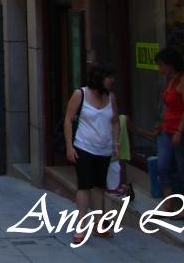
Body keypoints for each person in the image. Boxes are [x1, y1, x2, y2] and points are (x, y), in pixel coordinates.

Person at [64, 63, 119, 245]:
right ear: (98, 79)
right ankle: (80, 226)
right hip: (83, 146)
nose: (112, 80)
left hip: (104, 149)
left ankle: (98, 224)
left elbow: (115, 122)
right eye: (108, 77)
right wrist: (69, 147)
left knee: (99, 186)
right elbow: (68, 120)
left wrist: (116, 143)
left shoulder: (111, 97)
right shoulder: (80, 94)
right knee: (84, 185)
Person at [155, 47, 184, 207]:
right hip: (167, 128)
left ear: (170, 65)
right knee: (163, 165)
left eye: (161, 65)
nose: (160, 69)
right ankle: (168, 201)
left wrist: (180, 131)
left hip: (181, 130)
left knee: (183, 167)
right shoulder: (169, 81)